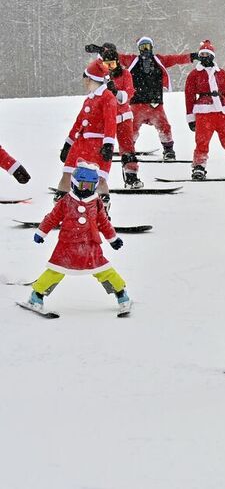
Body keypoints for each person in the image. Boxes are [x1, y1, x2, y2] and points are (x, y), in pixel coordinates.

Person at [24, 161, 130, 316]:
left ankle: (121, 293)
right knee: (56, 271)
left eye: (90, 186)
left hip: (90, 245)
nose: (86, 190)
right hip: (67, 246)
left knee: (104, 270)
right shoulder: (66, 201)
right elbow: (52, 218)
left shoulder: (97, 203)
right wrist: (42, 232)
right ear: (74, 184)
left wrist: (113, 239)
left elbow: (104, 223)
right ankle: (36, 296)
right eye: (83, 186)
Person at [122, 36, 194, 162]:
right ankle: (128, 149)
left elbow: (176, 59)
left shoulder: (159, 60)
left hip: (155, 102)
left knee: (164, 126)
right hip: (136, 102)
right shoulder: (132, 60)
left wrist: (192, 56)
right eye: (142, 47)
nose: (145, 49)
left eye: (148, 46)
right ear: (139, 48)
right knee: (131, 127)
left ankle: (168, 150)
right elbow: (117, 57)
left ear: (152, 47)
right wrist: (103, 51)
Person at [56, 60, 118, 204]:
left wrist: (108, 144)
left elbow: (110, 122)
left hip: (97, 146)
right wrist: (68, 143)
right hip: (80, 144)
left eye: (85, 79)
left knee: (99, 179)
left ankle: (102, 210)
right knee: (67, 173)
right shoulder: (89, 99)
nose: (84, 82)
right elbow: (78, 123)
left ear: (89, 79)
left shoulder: (107, 97)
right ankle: (61, 208)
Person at [184, 40, 225, 180]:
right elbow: (189, 96)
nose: (204, 56)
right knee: (202, 141)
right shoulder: (194, 74)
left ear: (212, 55)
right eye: (202, 54)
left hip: (222, 111)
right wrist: (190, 116)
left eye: (207, 54)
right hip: (203, 111)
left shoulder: (221, 74)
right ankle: (199, 166)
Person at [85, 43, 140, 188]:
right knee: (100, 149)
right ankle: (92, 179)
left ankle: (131, 176)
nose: (110, 67)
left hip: (123, 117)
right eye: (106, 63)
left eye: (113, 63)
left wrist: (116, 92)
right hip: (104, 119)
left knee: (127, 147)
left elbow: (129, 93)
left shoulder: (125, 74)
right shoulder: (99, 75)